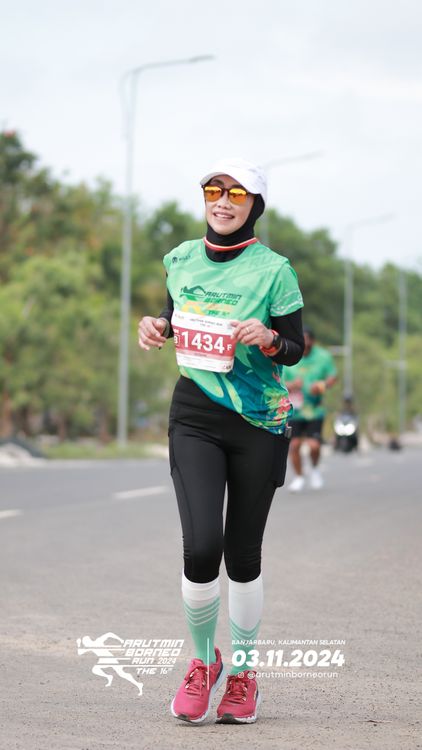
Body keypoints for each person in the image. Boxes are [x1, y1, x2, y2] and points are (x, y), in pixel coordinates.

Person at [138, 157, 304, 725]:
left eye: (237, 193)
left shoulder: (275, 271)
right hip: (195, 416)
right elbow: (174, 316)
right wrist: (157, 326)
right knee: (202, 546)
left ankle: (243, 675)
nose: (224, 202)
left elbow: (295, 347)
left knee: (242, 555)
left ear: (255, 204)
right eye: (214, 190)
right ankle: (203, 661)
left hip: (258, 420)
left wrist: (270, 339)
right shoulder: (180, 259)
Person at [283, 326, 337, 491]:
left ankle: (314, 469)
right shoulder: (288, 353)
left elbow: (333, 377)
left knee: (314, 446)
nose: (305, 347)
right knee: (294, 446)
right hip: (294, 410)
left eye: (308, 344)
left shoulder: (323, 356)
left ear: (313, 342)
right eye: (303, 344)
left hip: (314, 410)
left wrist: (321, 385)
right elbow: (277, 381)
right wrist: (291, 385)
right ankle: (299, 477)